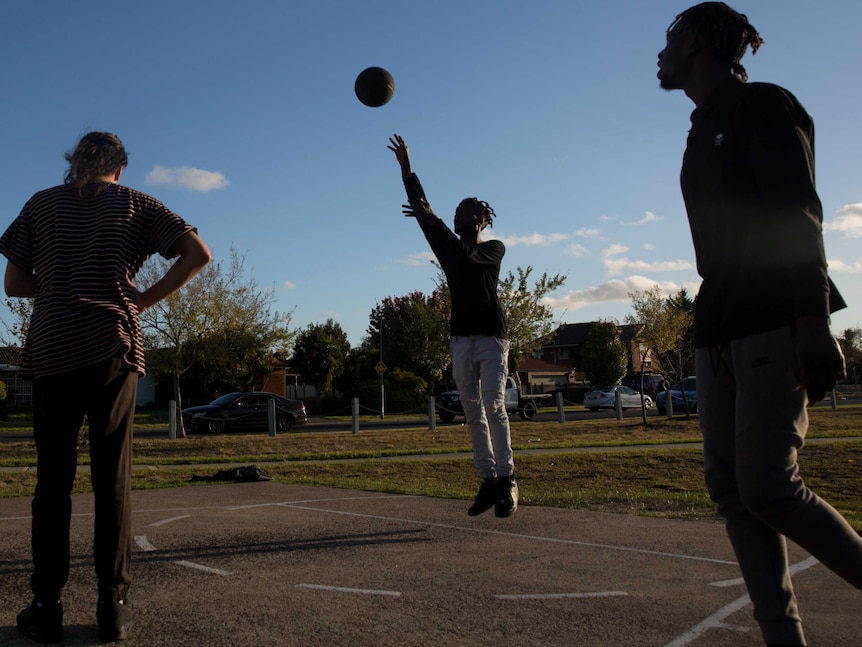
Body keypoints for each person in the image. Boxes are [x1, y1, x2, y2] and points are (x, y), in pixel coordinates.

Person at [657, 4, 862, 645]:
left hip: (773, 318)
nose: (658, 54)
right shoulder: (701, 125)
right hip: (718, 322)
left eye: (667, 40)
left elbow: (797, 211)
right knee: (733, 492)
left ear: (695, 42)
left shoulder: (763, 104)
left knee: (770, 485)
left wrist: (810, 320)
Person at [0, 131, 211, 643]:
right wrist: (138, 300)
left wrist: (56, 285)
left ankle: (45, 606)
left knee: (52, 483)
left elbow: (13, 283)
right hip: (111, 346)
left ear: (74, 164)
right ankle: (111, 606)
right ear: (120, 168)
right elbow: (196, 253)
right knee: (111, 479)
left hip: (53, 348)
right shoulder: (137, 202)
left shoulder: (40, 203)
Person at [388, 133, 518, 518]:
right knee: (471, 409)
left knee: (494, 405)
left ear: (481, 219)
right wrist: (407, 168)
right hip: (461, 339)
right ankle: (488, 481)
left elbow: (466, 256)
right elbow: (423, 209)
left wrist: (433, 219)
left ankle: (508, 479)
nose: (458, 212)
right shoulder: (448, 243)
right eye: (455, 209)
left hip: (492, 338)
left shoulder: (493, 249)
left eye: (466, 209)